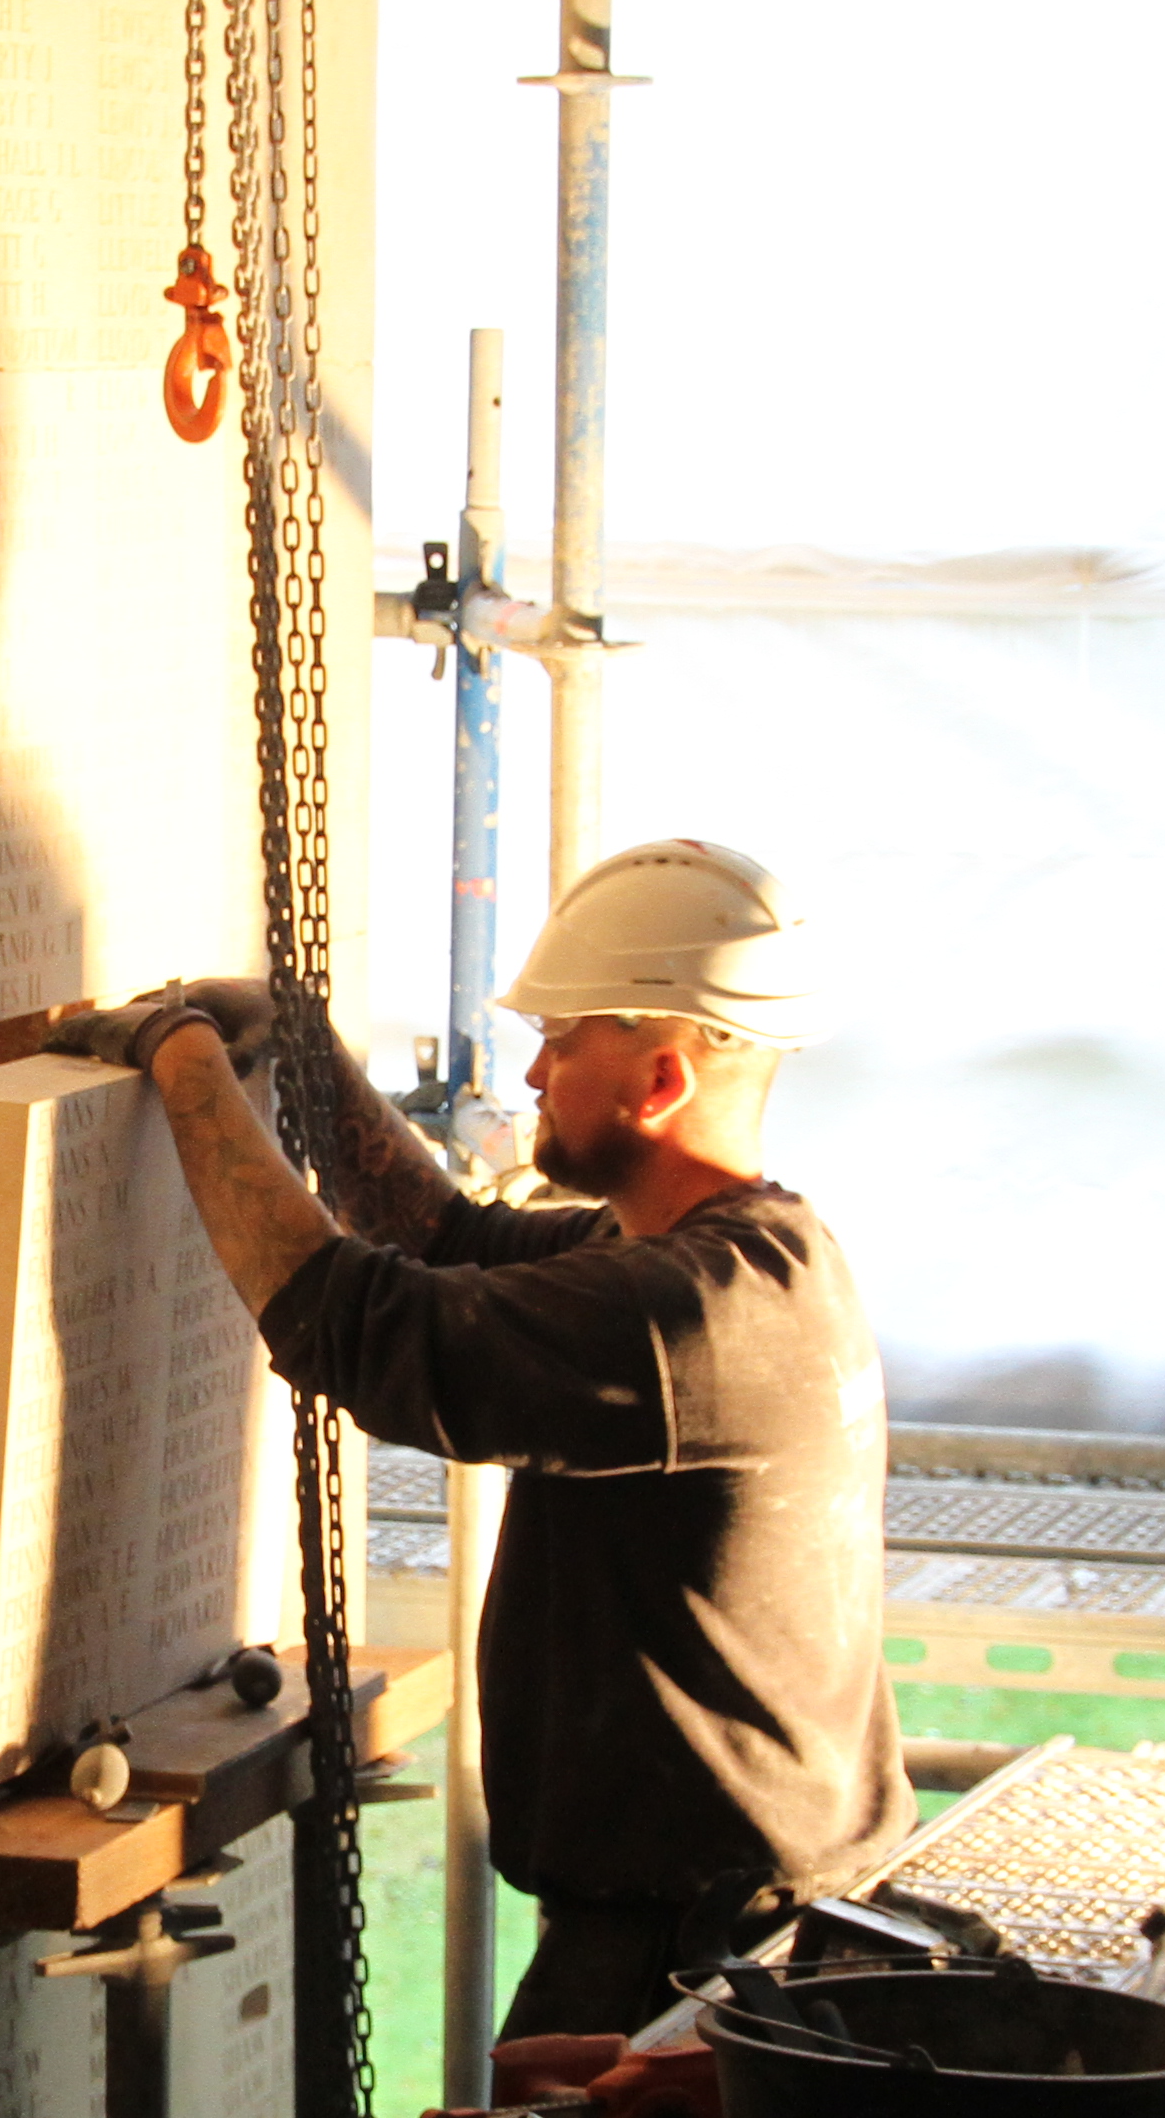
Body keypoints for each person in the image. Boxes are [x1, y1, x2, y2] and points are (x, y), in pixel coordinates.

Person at [56, 839, 914, 2038]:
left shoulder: (689, 1314)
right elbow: (444, 1239)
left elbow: (352, 1324)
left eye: (563, 1043)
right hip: (741, 1925)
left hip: (694, 1966)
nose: (536, 1065)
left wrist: (186, 1068)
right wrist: (305, 1053)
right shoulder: (739, 1259)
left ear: (659, 1080)